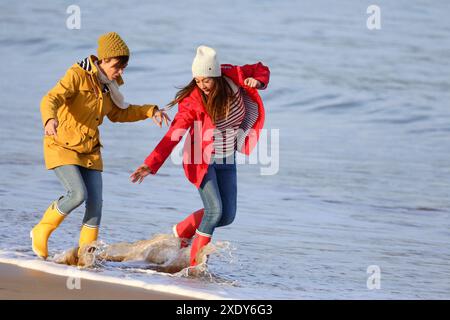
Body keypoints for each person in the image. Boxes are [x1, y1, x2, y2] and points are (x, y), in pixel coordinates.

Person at [31, 32, 170, 260]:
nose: (121, 71)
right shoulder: (77, 74)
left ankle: (86, 256)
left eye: (124, 66)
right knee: (77, 195)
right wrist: (50, 119)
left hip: (90, 151)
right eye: (118, 65)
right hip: (61, 145)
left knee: (95, 205)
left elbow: (117, 113)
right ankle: (42, 229)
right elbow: (51, 99)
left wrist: (149, 110)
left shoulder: (108, 86)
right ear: (103, 60)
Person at [130, 45, 270, 267]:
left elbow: (261, 69)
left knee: (227, 215)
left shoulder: (234, 76)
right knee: (214, 212)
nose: (201, 85)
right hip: (201, 159)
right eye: (197, 80)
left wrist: (258, 82)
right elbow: (174, 133)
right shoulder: (193, 100)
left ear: (216, 74)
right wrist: (151, 163)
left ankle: (183, 230)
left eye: (206, 80)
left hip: (227, 158)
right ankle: (196, 268)